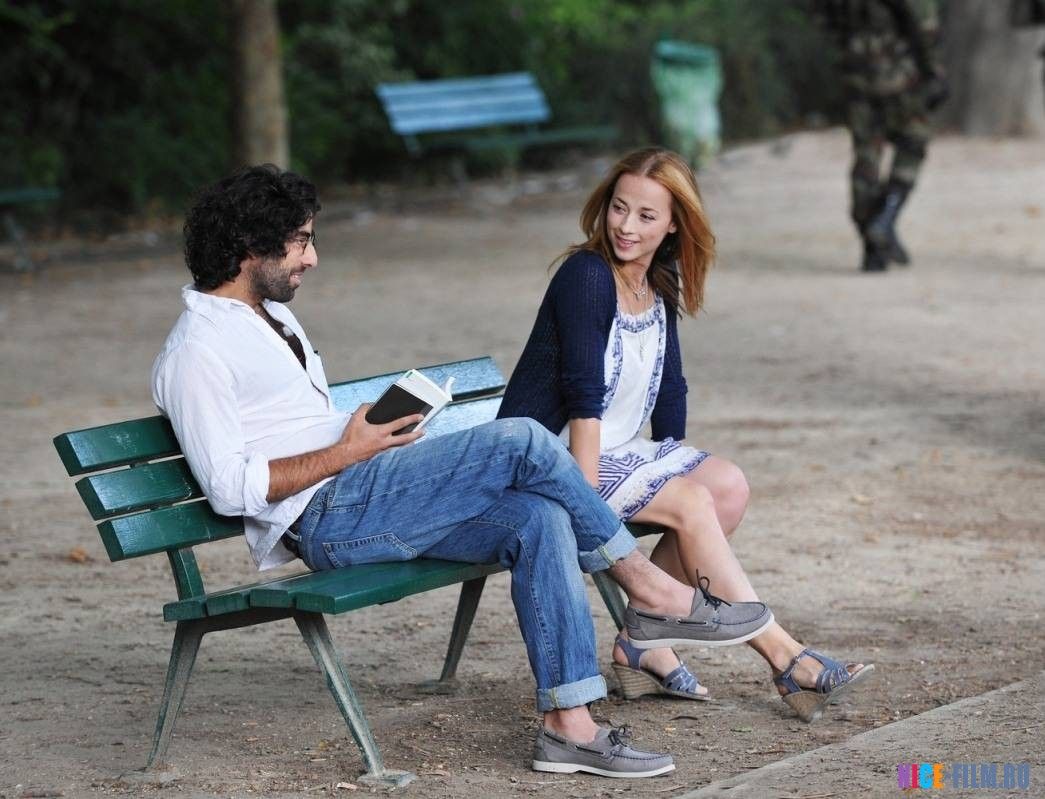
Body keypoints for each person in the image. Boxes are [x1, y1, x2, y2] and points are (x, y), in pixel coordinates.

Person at [151, 164, 777, 779]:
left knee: (540, 517)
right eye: (301, 241)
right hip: (328, 516)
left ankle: (570, 727)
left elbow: (293, 427)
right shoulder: (197, 350)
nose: (312, 258)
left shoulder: (271, 316)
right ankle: (648, 587)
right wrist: (349, 451)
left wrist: (372, 434)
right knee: (522, 438)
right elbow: (229, 489)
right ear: (251, 245)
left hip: (365, 491)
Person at [497, 148, 874, 722]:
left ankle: (641, 641)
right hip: (555, 456)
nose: (626, 226)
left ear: (675, 223)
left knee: (727, 487)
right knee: (692, 502)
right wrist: (588, 500)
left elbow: (670, 388)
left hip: (615, 449)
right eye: (619, 208)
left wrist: (672, 462)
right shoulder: (586, 276)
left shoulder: (658, 280)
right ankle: (786, 657)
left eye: (646, 215)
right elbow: (582, 396)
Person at [813, 0, 948, 271]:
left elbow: (823, 18)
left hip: (855, 71)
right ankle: (884, 220)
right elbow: (924, 24)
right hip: (899, 73)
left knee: (867, 155)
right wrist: (934, 71)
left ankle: (872, 244)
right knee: (913, 145)